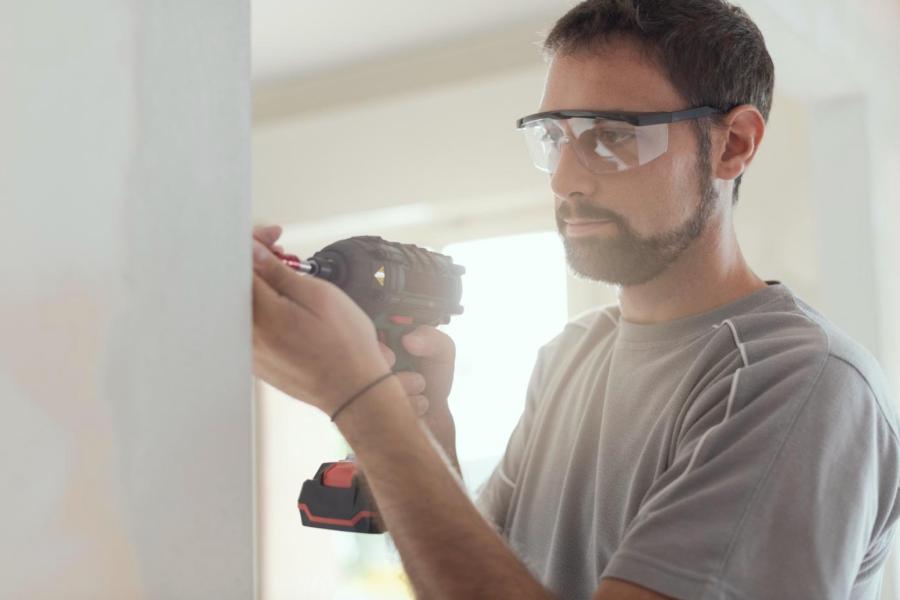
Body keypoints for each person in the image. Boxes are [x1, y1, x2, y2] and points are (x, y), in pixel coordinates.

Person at [251, 1, 900, 598]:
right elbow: (477, 577)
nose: (565, 177)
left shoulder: (800, 385)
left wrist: (359, 401)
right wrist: (423, 434)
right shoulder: (570, 356)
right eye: (554, 137)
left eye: (613, 135)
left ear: (733, 144)